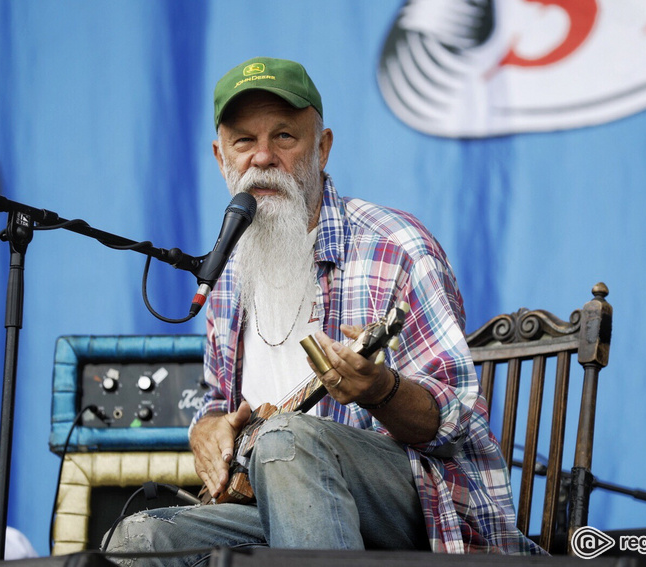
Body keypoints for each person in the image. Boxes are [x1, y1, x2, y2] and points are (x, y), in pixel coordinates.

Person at [104, 56, 542, 565]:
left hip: (419, 509)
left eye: (285, 137)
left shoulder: (394, 246)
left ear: (323, 147)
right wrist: (207, 428)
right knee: (136, 540)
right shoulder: (227, 271)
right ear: (220, 156)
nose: (262, 157)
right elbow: (215, 401)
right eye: (244, 141)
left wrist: (383, 391)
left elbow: (454, 418)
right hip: (275, 506)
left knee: (287, 442)